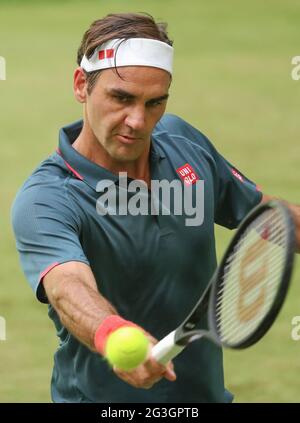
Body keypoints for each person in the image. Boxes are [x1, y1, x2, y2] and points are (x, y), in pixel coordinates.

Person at [11, 12, 300, 403]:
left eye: (154, 103)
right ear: (82, 85)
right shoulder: (47, 197)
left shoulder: (183, 143)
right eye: (121, 98)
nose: (137, 120)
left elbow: (273, 219)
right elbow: (68, 287)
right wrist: (113, 334)